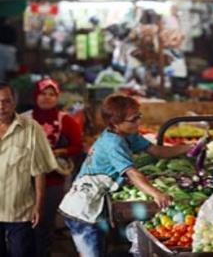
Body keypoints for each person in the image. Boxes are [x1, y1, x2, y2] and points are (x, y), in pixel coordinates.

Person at [58, 94, 191, 257]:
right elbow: (132, 173)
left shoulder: (128, 134)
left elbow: (156, 151)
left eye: (138, 117)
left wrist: (189, 147)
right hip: (82, 209)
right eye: (133, 119)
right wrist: (156, 193)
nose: (138, 122)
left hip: (96, 205)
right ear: (115, 122)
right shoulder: (113, 143)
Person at [22, 78, 83, 257]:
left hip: (52, 180)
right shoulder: (24, 119)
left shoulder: (65, 120)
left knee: (44, 222)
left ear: (57, 97)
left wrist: (56, 152)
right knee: (23, 223)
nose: (47, 98)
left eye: (52, 94)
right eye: (43, 94)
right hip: (24, 180)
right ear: (36, 96)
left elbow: (77, 146)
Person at [0, 82, 58, 257]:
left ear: (14, 103)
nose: (1, 106)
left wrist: (38, 206)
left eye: (6, 101)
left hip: (20, 210)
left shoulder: (31, 128)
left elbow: (39, 171)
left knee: (22, 252)